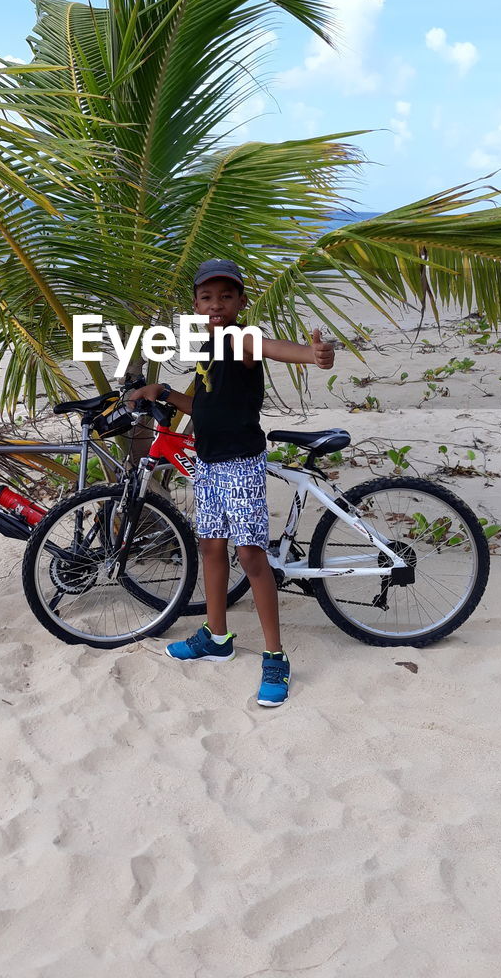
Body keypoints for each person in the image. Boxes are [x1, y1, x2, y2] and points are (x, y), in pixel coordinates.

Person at [128, 258, 335, 707]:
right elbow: (201, 406)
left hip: (240, 463)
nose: (216, 304)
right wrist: (161, 392)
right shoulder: (208, 345)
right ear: (196, 304)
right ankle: (216, 637)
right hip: (208, 461)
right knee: (211, 547)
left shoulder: (241, 338)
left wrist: (313, 354)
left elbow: (276, 347)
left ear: (241, 301)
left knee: (251, 556)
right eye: (207, 297)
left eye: (226, 296)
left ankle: (275, 657)